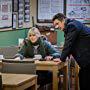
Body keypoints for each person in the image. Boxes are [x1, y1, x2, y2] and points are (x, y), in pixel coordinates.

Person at [52, 13, 90, 90]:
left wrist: (61, 58)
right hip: (86, 59)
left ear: (63, 20)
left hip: (88, 59)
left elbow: (68, 43)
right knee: (83, 78)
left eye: (57, 23)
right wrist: (65, 56)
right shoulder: (70, 25)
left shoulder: (72, 26)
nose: (56, 27)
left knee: (85, 81)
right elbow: (71, 44)